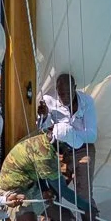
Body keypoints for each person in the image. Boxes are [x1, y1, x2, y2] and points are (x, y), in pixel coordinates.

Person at [39, 72, 97, 208]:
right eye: (61, 94)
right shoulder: (48, 100)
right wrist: (45, 116)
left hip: (83, 150)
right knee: (51, 194)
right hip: (59, 151)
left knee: (84, 196)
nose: (64, 97)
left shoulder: (86, 101)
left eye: (68, 93)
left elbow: (92, 135)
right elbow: (43, 131)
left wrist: (67, 133)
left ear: (75, 88)